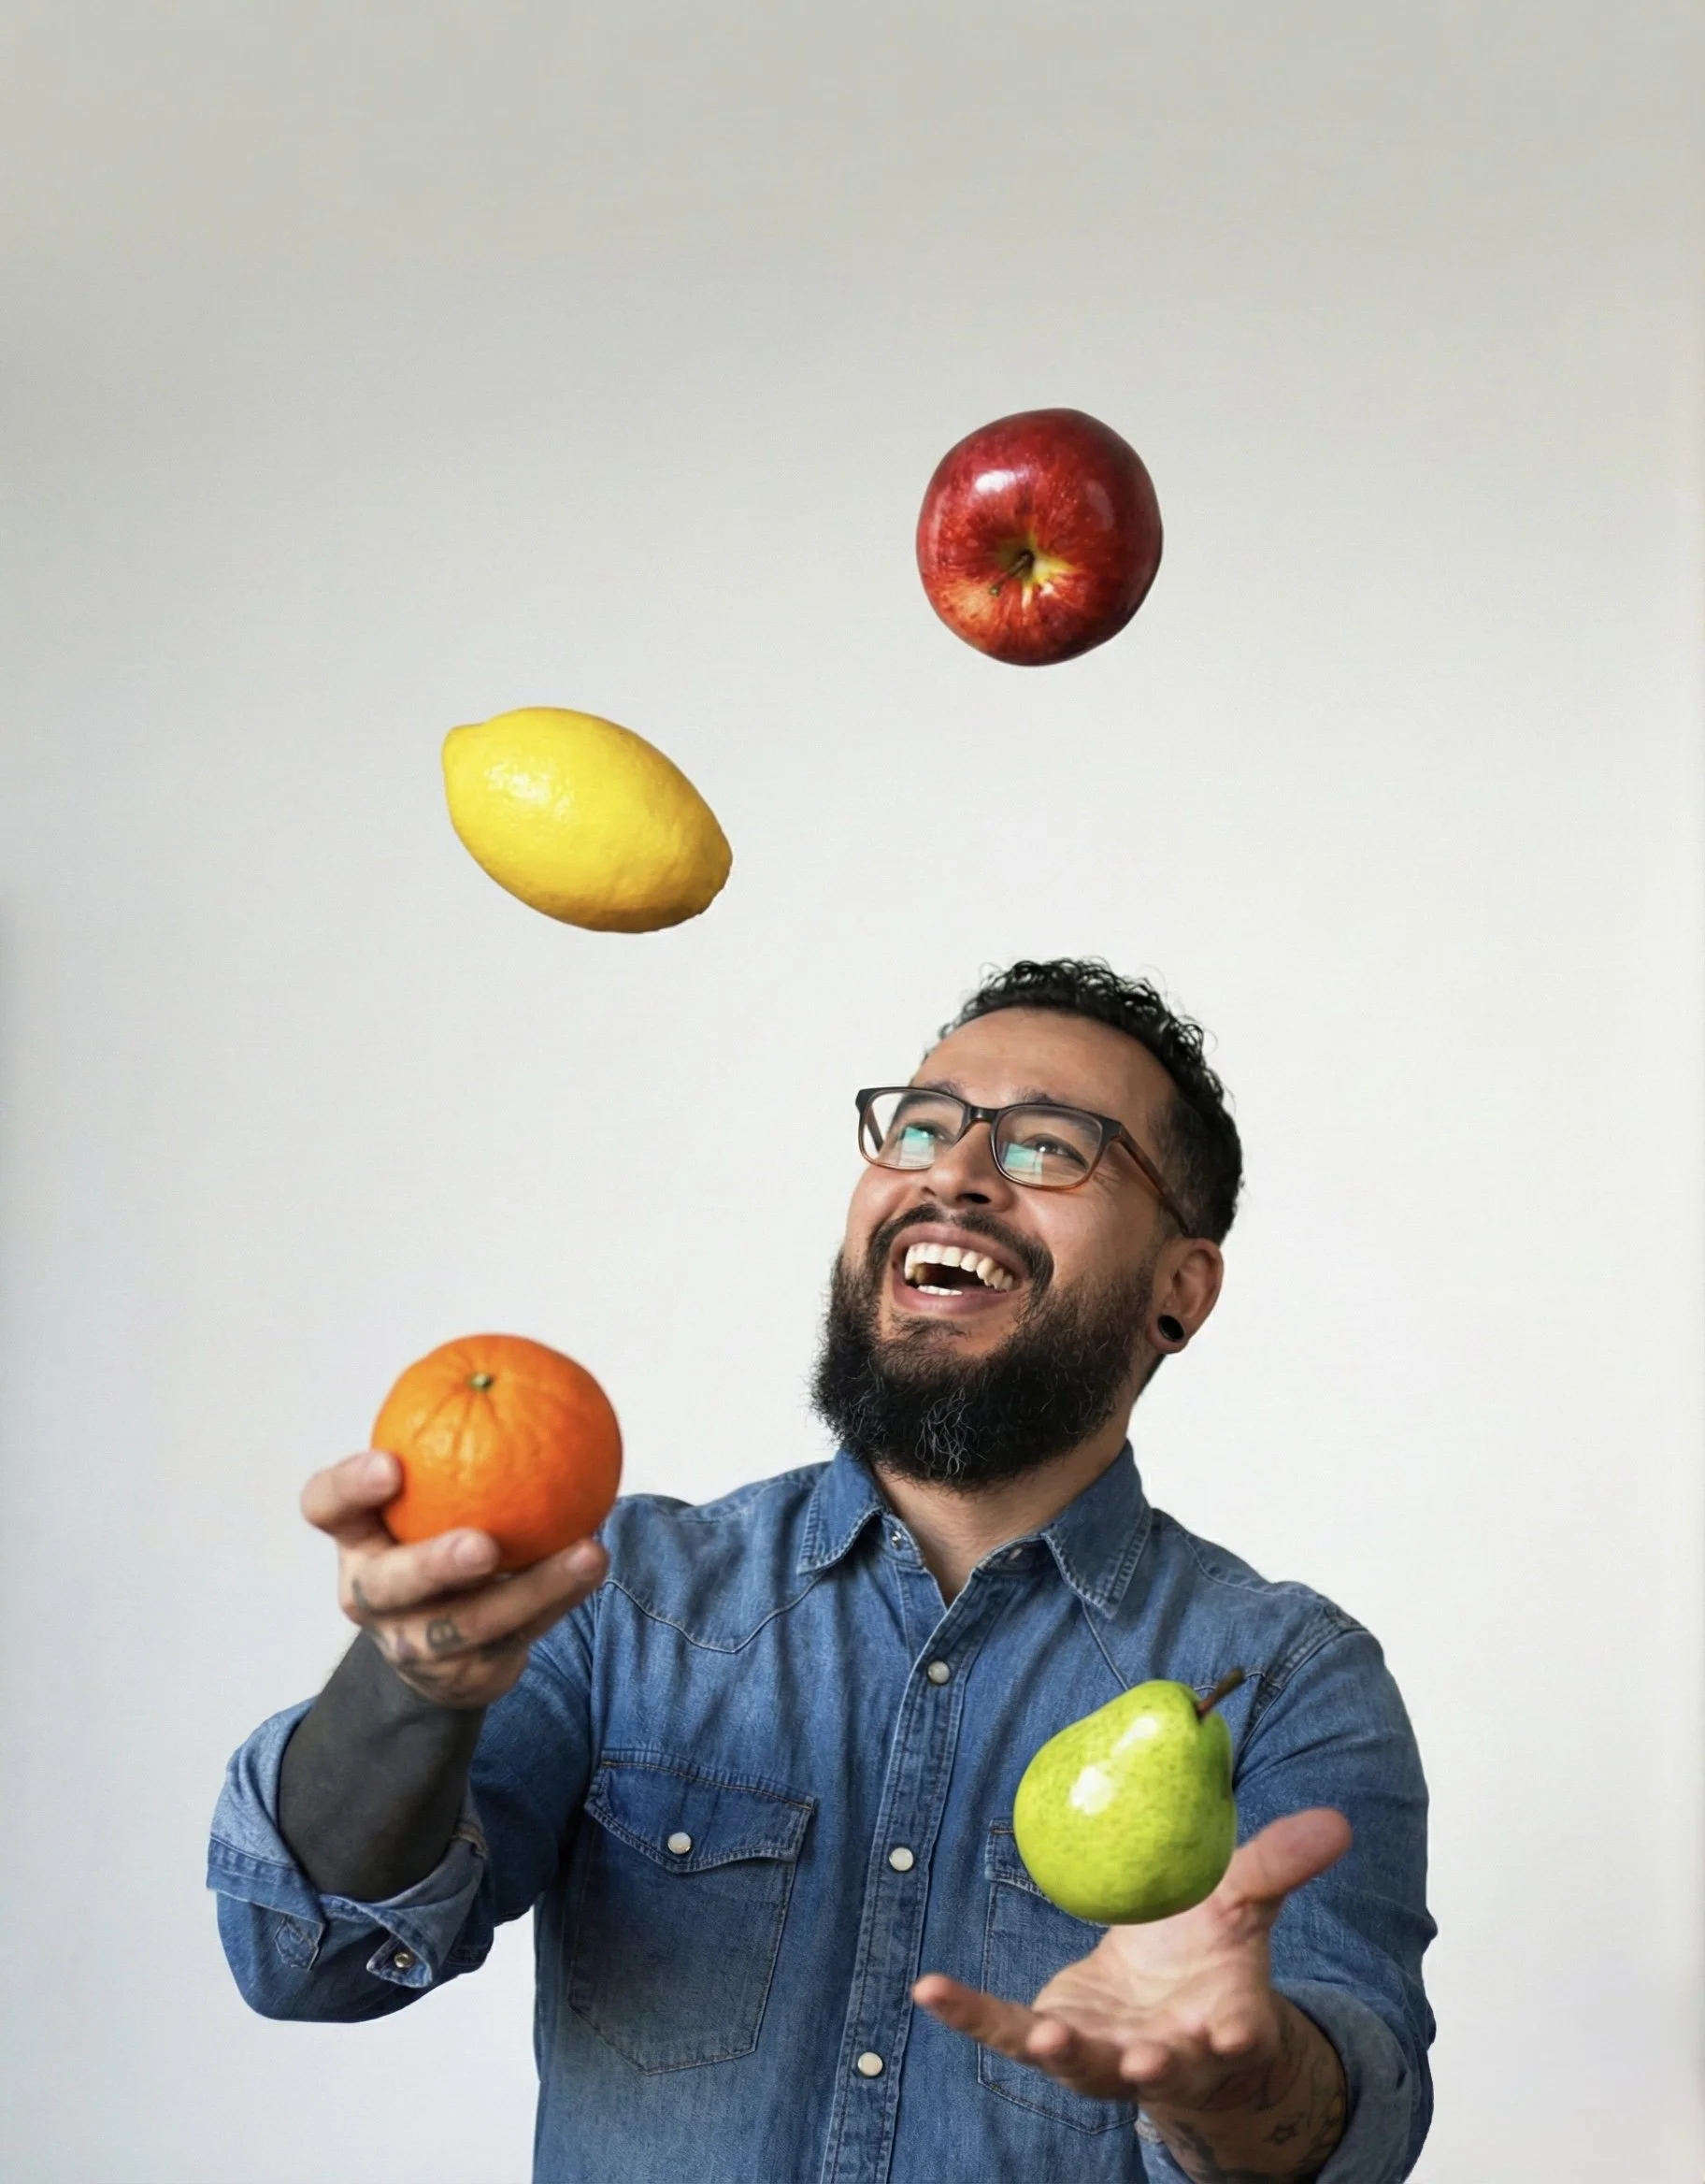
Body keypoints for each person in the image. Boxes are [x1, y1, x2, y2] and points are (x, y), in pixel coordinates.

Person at [209, 957, 1434, 2184]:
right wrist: (406, 1688)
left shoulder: (1287, 1680)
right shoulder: (615, 1592)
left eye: (1049, 1146)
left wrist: (1232, 2075)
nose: (951, 1173)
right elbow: (302, 1955)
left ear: (1181, 1291)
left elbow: (1355, 2128)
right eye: (921, 1126)